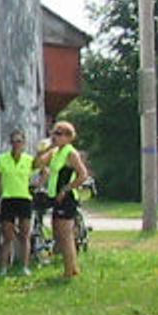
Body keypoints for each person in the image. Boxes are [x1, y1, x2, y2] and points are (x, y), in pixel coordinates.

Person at [40, 119, 94, 279]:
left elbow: (83, 175)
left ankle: (69, 271)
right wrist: (45, 149)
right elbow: (38, 163)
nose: (54, 137)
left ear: (68, 137)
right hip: (55, 197)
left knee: (65, 234)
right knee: (57, 232)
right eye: (53, 133)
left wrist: (66, 188)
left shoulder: (71, 153)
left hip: (67, 197)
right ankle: (72, 267)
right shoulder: (55, 152)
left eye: (58, 134)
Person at [0, 127, 36, 273]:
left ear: (24, 143)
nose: (16, 144)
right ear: (10, 143)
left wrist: (37, 185)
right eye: (14, 141)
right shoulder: (2, 159)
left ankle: (25, 266)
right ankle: (4, 267)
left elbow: (44, 171)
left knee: (25, 234)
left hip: (24, 198)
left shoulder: (29, 160)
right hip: (8, 198)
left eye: (19, 141)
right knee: (8, 235)